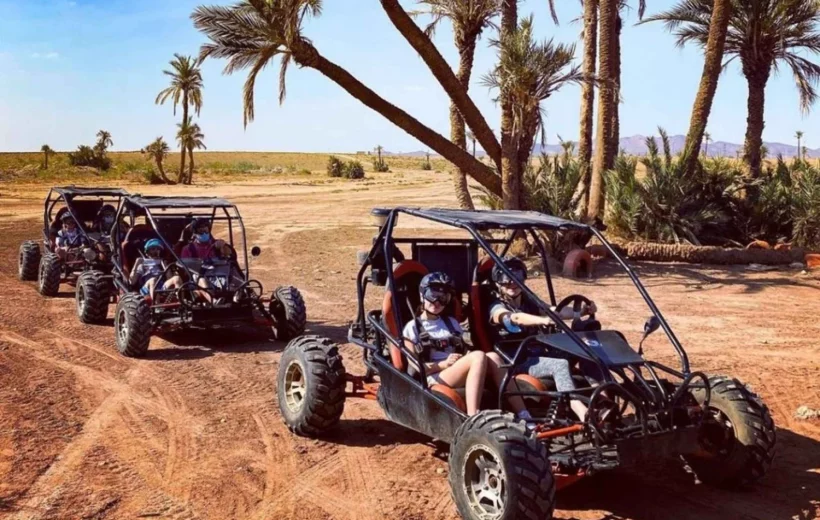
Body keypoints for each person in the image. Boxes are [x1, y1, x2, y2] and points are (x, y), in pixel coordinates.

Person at [403, 272, 528, 418]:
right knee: (478, 356)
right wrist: (443, 364)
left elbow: (464, 349)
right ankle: (472, 416)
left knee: (493, 357)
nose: (437, 302)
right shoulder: (412, 328)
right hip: (434, 376)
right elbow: (417, 368)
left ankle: (524, 413)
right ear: (422, 295)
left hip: (454, 370)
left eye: (444, 298)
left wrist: (463, 357)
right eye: (432, 295)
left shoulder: (452, 323)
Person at [488, 256, 598, 421]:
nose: (511, 283)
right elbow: (515, 318)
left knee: (586, 348)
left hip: (538, 352)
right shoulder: (496, 307)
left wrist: (581, 312)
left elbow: (555, 311)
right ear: (497, 283)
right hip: (517, 361)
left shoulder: (528, 301)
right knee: (559, 365)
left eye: (516, 277)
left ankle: (602, 397)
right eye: (504, 279)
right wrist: (543, 320)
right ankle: (580, 409)